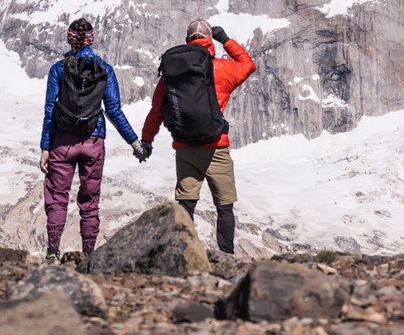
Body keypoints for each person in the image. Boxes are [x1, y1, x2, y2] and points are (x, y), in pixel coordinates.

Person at [140, 20, 256, 256]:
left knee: (185, 204)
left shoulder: (171, 74)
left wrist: (147, 140)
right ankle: (226, 255)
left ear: (187, 41)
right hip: (216, 147)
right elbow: (248, 65)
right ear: (209, 39)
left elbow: (156, 110)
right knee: (224, 206)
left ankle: (184, 254)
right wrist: (225, 39)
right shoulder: (222, 68)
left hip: (185, 147)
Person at [40, 17, 148, 262]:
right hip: (93, 140)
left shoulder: (59, 69)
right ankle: (89, 257)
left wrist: (45, 147)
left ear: (69, 37)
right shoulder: (105, 69)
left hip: (62, 143)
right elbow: (113, 110)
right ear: (92, 38)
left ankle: (52, 252)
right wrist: (134, 142)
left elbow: (50, 110)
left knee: (57, 197)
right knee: (90, 202)